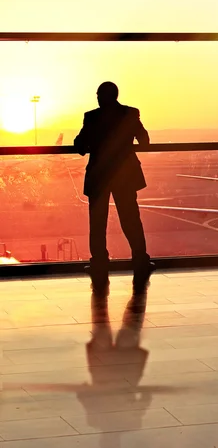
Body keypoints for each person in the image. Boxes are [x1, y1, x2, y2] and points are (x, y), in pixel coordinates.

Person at [74, 81, 155, 296]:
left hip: (99, 176)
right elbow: (145, 141)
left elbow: (80, 146)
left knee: (98, 223)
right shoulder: (130, 114)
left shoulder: (91, 117)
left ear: (101, 96)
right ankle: (140, 260)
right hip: (125, 175)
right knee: (130, 219)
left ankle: (99, 263)